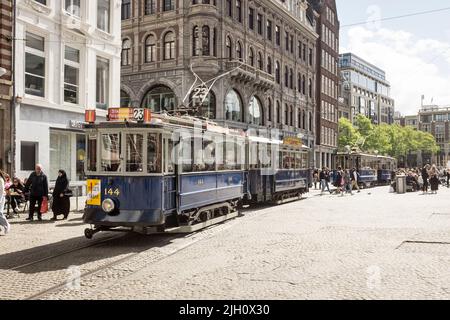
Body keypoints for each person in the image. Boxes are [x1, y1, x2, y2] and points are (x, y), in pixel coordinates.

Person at [0, 170, 11, 235]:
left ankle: (7, 225)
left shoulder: (0, 179)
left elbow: (1, 191)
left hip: (0, 198)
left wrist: (0, 200)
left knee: (0, 213)